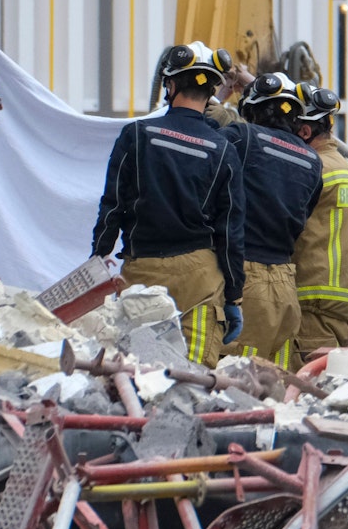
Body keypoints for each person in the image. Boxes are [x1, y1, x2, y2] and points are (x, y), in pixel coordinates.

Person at [91, 42, 245, 366]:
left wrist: (98, 257)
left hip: (142, 274)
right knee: (196, 378)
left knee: (139, 373)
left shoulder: (136, 135)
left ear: (171, 84)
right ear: (212, 90)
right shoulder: (222, 148)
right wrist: (234, 296)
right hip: (200, 279)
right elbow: (230, 231)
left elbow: (113, 206)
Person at [219, 74, 323, 364]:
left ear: (253, 110)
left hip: (244, 281)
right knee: (275, 378)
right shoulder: (313, 161)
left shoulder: (242, 137)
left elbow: (202, 154)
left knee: (235, 375)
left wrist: (215, 101)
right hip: (285, 286)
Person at [288, 84, 348, 366]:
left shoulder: (312, 168)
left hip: (311, 300)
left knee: (299, 391)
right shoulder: (341, 167)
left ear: (305, 132)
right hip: (335, 300)